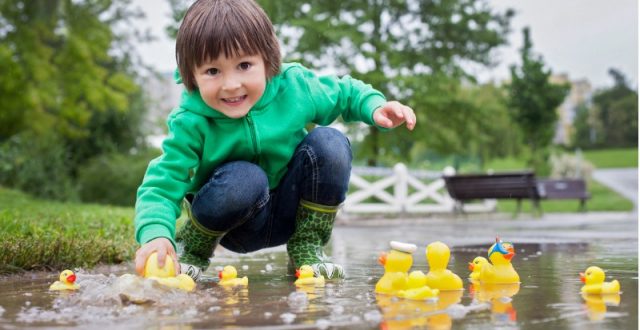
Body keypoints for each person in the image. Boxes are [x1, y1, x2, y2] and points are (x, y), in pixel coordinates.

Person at [133, 0, 416, 281]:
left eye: (244, 65)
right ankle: (192, 250)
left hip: (289, 214)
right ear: (191, 75)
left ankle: (308, 247)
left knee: (331, 142)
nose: (231, 84)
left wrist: (375, 105)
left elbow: (343, 92)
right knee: (245, 176)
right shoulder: (190, 121)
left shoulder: (293, 86)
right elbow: (163, 182)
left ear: (268, 61)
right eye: (212, 71)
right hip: (232, 223)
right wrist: (155, 234)